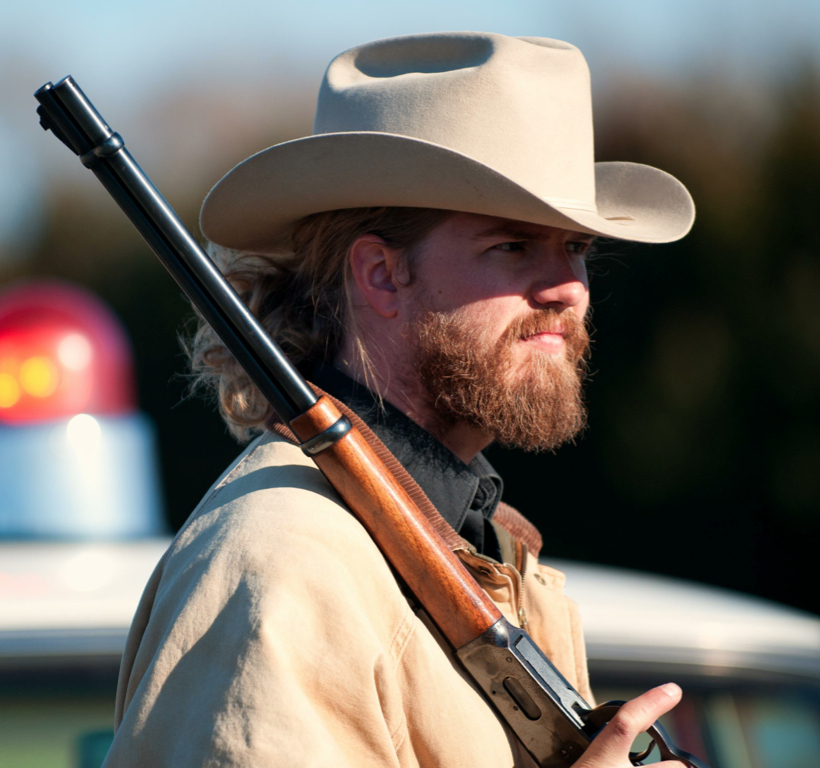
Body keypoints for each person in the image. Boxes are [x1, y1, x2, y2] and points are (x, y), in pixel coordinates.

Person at [103, 32, 694, 767]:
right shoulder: (281, 567)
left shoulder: (491, 547)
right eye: (512, 246)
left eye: (574, 246)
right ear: (380, 276)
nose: (567, 287)